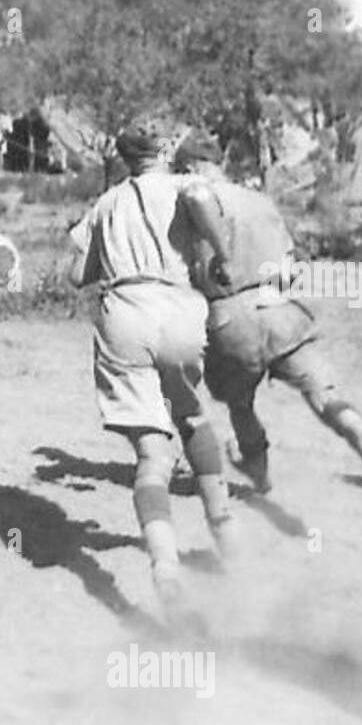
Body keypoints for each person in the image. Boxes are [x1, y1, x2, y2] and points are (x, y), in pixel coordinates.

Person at [67, 124, 236, 625]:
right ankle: (225, 532)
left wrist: (112, 254)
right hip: (180, 309)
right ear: (164, 150)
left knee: (150, 456)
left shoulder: (107, 203)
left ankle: (164, 568)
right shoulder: (186, 185)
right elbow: (204, 198)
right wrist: (221, 254)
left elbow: (77, 274)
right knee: (192, 415)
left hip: (126, 313)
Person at [173, 130, 362, 494]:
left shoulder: (195, 200)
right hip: (281, 305)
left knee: (241, 403)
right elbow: (289, 260)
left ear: (191, 166)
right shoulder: (259, 201)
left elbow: (189, 237)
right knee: (321, 390)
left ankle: (261, 476)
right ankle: (360, 432)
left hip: (231, 314)